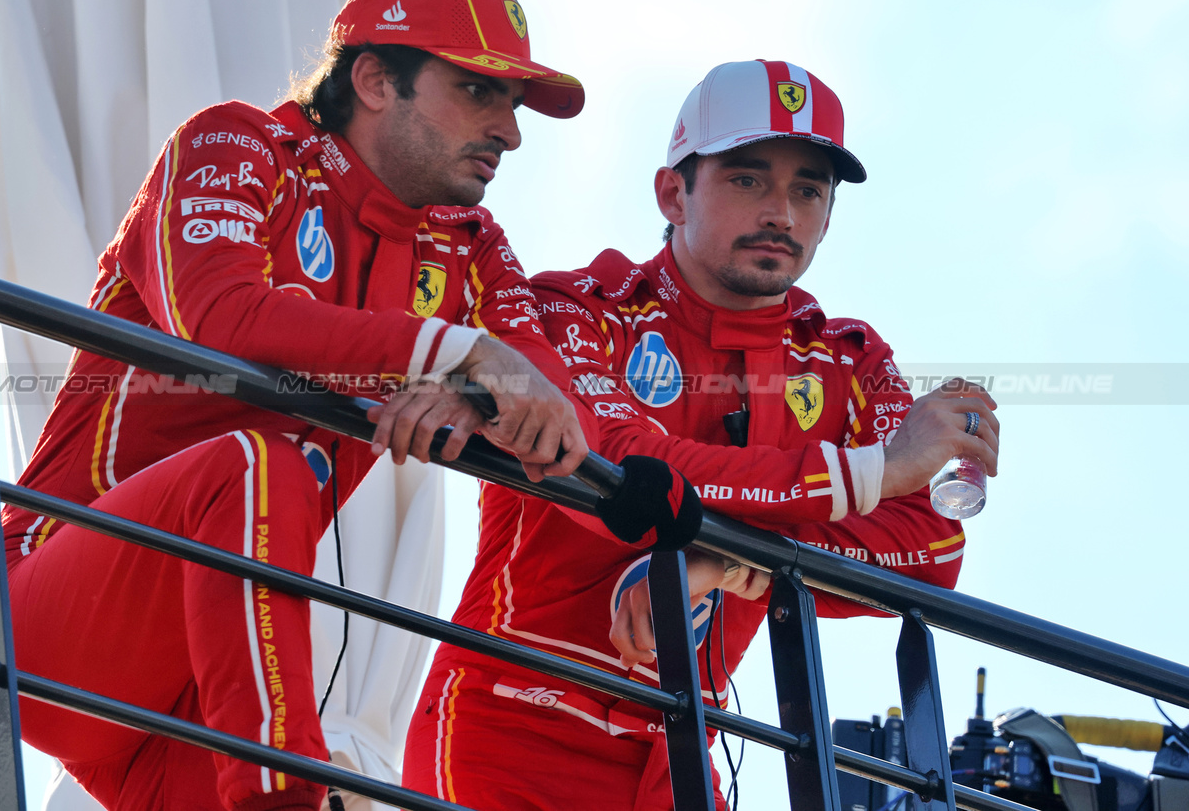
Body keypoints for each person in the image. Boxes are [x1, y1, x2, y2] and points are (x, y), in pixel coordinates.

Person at [0, 0, 593, 810]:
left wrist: (472, 392)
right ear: (372, 78)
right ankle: (286, 794)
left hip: (211, 671)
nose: (509, 131)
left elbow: (554, 401)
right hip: (43, 608)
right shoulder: (237, 142)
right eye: (479, 90)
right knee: (260, 466)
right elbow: (221, 314)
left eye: (516, 103)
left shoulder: (470, 242)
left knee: (269, 470)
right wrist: (451, 353)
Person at [401, 59, 1001, 810]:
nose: (781, 211)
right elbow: (614, 462)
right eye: (747, 179)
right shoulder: (573, 305)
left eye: (808, 189)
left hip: (679, 757)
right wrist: (870, 473)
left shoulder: (850, 357)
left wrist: (731, 563)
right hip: (509, 720)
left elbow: (930, 554)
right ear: (671, 193)